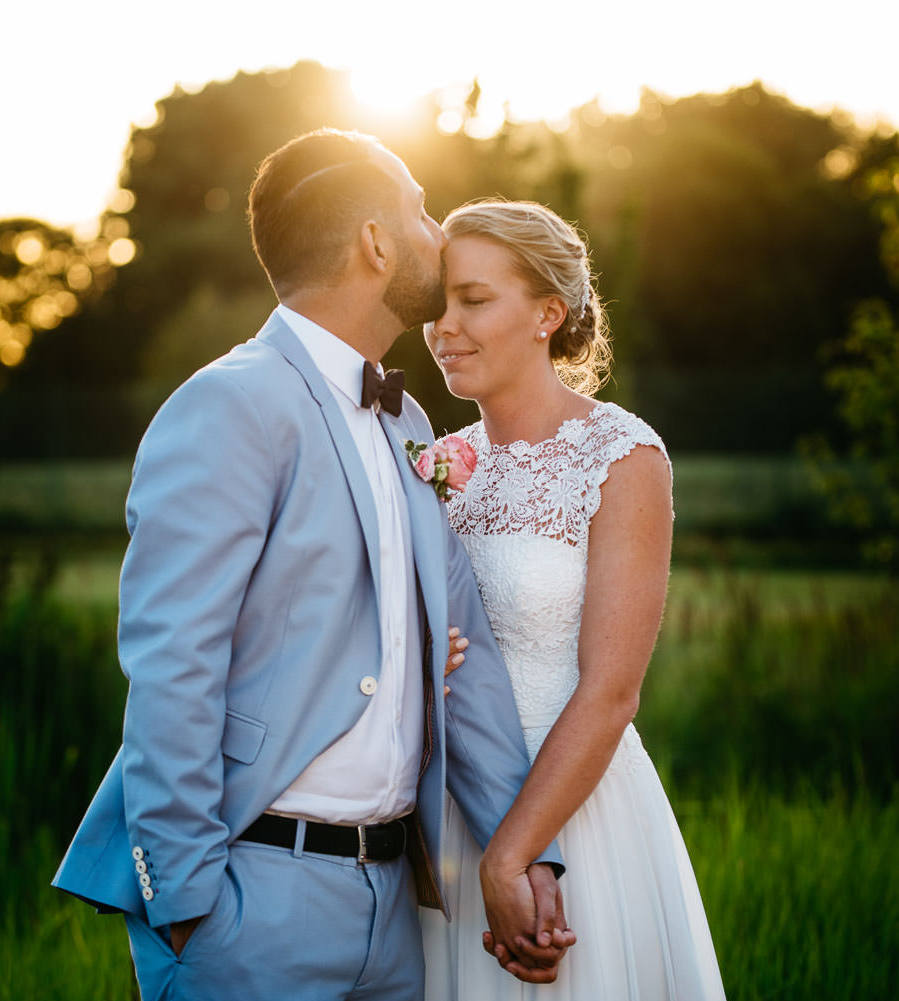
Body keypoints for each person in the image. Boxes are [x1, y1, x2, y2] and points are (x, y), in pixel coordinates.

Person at [51, 131, 573, 1001]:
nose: (435, 233)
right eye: (418, 209)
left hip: (396, 910)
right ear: (374, 241)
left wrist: (529, 854)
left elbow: (465, 652)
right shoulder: (228, 404)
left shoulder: (410, 428)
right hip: (250, 905)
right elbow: (171, 662)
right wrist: (187, 899)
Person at [418, 200, 727, 1000]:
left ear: (547, 313)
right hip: (445, 809)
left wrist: (511, 855)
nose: (442, 326)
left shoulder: (622, 456)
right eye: (436, 304)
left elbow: (613, 689)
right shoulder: (434, 465)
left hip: (574, 808)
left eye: (473, 300)